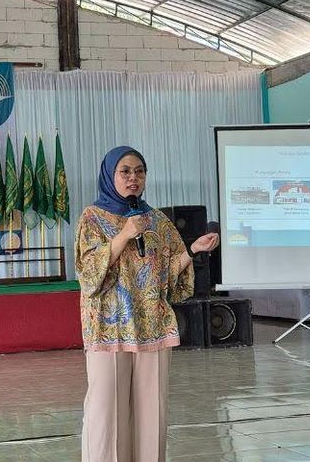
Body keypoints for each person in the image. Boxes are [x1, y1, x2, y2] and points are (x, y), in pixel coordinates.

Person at [75, 146, 219, 462]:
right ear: (110, 175)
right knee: (106, 414)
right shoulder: (92, 218)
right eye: (125, 171)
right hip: (109, 329)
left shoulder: (157, 220)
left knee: (152, 413)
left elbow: (167, 273)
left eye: (139, 172)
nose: (133, 178)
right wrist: (124, 234)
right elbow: (88, 274)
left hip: (152, 326)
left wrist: (193, 250)